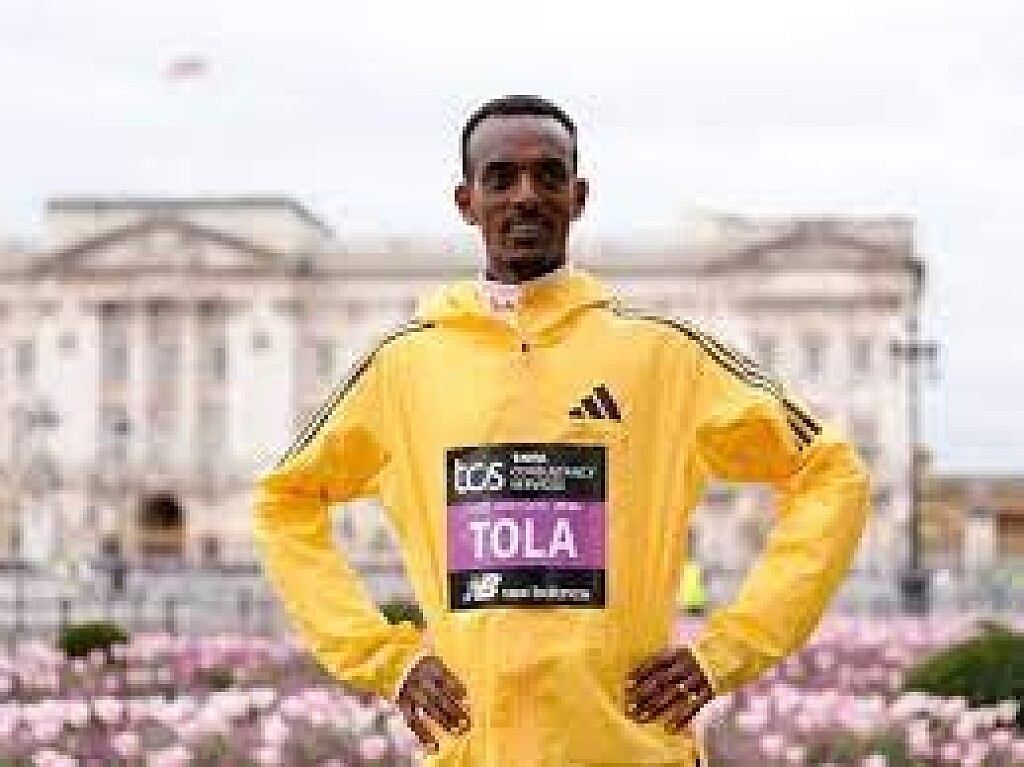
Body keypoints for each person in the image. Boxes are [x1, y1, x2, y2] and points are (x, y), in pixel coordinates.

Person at [254, 94, 870, 766]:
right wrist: (386, 660)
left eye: (548, 176)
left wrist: (728, 650)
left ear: (578, 197)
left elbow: (831, 472)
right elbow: (284, 499)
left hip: (629, 750)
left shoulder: (663, 355)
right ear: (466, 202)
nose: (526, 195)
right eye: (501, 178)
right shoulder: (404, 366)